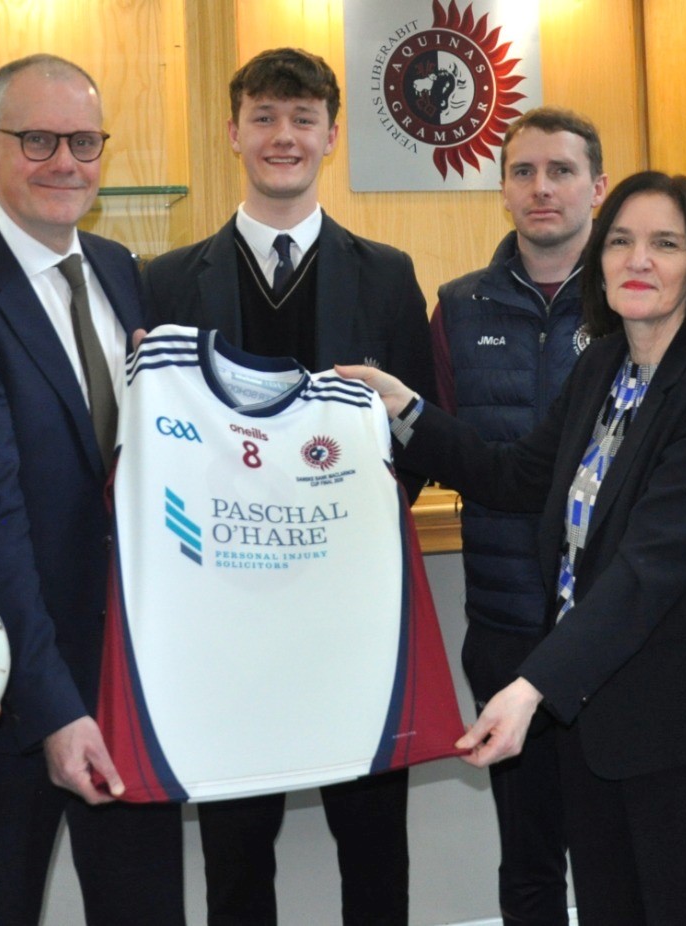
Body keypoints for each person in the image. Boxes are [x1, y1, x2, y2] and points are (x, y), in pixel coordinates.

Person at [345, 171, 686, 925]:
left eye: (664, 244)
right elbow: (515, 475)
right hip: (595, 711)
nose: (637, 259)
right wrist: (406, 408)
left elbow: (651, 567)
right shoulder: (604, 366)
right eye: (621, 241)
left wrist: (531, 686)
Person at [141, 46, 434, 926]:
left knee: (375, 848)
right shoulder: (166, 281)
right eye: (264, 117)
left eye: (303, 119)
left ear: (332, 136)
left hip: (353, 615)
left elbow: (415, 439)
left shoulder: (387, 274)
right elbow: (153, 454)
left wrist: (335, 533)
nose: (284, 136)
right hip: (222, 621)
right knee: (234, 858)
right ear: (232, 133)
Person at [0, 54, 184, 925]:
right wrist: (55, 706)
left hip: (131, 684)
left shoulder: (121, 269)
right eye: (38, 140)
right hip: (14, 701)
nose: (66, 162)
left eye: (85, 141)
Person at [427, 106, 607, 926]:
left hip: (609, 628)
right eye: (524, 172)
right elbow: (441, 449)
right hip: (504, 625)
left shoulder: (636, 298)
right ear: (501, 190)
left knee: (613, 850)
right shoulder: (458, 306)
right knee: (529, 855)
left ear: (596, 188)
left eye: (562, 171)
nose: (542, 188)